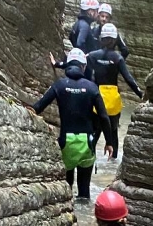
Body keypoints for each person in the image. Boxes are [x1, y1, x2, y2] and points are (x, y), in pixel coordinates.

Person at [29, 48, 113, 201]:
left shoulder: (59, 85)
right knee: (84, 193)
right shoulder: (92, 87)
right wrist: (109, 142)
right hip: (87, 143)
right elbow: (104, 117)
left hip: (66, 143)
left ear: (68, 65)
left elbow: (38, 107)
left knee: (67, 190)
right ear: (84, 67)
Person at [86, 24, 141, 160]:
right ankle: (113, 160)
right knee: (114, 131)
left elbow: (87, 78)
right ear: (115, 40)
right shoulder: (118, 58)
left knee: (95, 130)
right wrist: (141, 94)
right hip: (113, 99)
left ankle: (87, 160)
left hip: (97, 97)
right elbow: (129, 79)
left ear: (101, 39)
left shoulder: (92, 56)